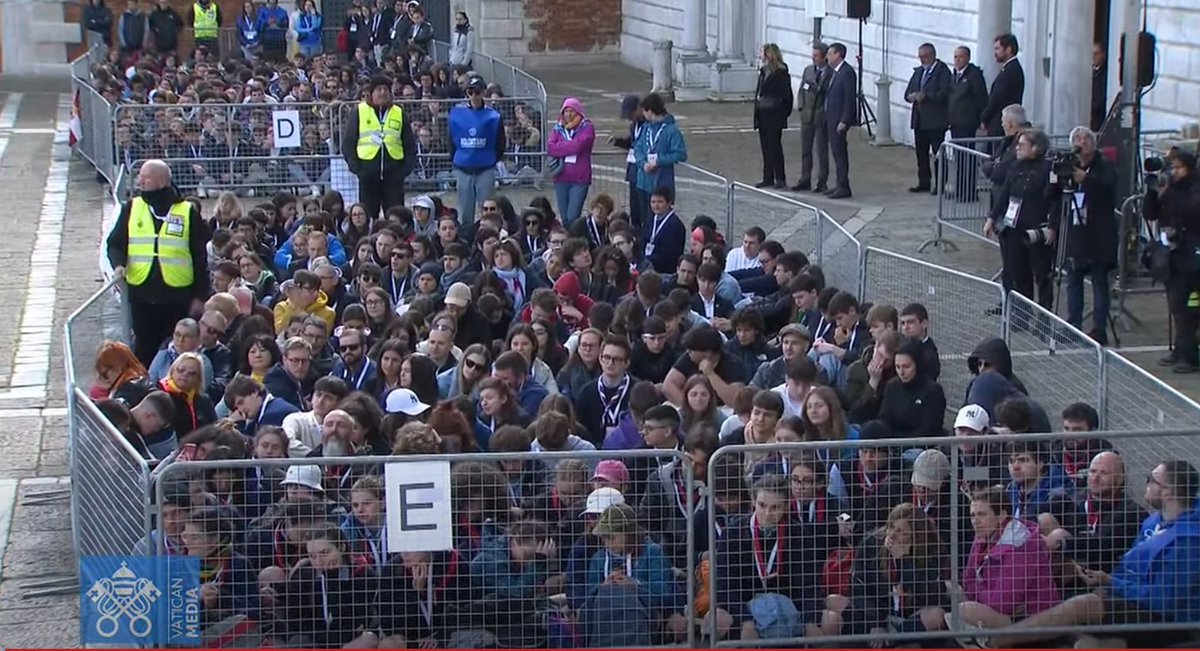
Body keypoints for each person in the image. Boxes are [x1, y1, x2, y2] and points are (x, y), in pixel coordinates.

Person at [984, 460, 1200, 649]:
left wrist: (1111, 582)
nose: (1146, 483)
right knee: (1065, 601)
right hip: (1126, 596)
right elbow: (1129, 564)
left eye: (1151, 479)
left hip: (1166, 621)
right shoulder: (1155, 521)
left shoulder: (1187, 541)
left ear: (1169, 491)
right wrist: (1105, 582)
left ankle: (997, 639)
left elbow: (1164, 601)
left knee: (1084, 604)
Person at [107, 159, 210, 367]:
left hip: (178, 296)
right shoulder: (132, 208)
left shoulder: (187, 211)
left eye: (146, 177)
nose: (140, 181)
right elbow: (115, 243)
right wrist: (118, 265)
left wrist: (201, 295)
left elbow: (199, 256)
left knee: (178, 351)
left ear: (162, 181)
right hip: (142, 296)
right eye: (140, 177)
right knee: (144, 351)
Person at [986, 128, 1056, 311]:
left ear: (1035, 148)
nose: (1017, 149)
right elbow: (1005, 194)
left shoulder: (1047, 169)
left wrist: (1053, 226)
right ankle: (1023, 314)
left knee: (1042, 274)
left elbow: (1054, 200)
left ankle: (1044, 317)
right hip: (1014, 225)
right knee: (1019, 272)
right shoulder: (1016, 166)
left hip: (1037, 226)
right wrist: (992, 218)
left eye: (1023, 145)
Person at [1143, 147, 1200, 373]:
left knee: (1186, 307)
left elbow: (1191, 211)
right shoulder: (1170, 188)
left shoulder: (1193, 187)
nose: (1174, 172)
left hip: (1192, 254)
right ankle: (1181, 348)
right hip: (1171, 255)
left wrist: (1168, 193)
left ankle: (1189, 354)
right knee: (1176, 305)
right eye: (1172, 167)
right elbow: (1150, 214)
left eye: (1179, 167)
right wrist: (1151, 193)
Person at [1061, 126, 1118, 345]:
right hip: (1076, 233)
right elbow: (1058, 196)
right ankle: (1073, 324)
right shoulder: (1070, 165)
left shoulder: (1104, 166)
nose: (1082, 142)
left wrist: (1085, 179)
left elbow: (1108, 191)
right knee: (1073, 281)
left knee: (1099, 283)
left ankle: (1099, 329)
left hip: (1099, 234)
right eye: (1077, 138)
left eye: (1086, 138)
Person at [342, 75, 417, 223]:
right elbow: (348, 143)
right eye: (379, 89)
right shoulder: (359, 111)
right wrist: (357, 169)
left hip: (393, 176)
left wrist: (404, 170)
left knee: (396, 217)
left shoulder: (399, 112)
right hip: (368, 175)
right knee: (368, 218)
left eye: (386, 89)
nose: (382, 93)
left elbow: (409, 144)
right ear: (371, 93)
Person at [449, 76, 504, 224]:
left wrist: (492, 160)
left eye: (477, 92)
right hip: (463, 169)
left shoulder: (494, 116)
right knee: (465, 212)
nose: (473, 96)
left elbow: (500, 143)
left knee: (488, 211)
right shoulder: (456, 114)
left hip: (485, 169)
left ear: (483, 92)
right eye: (470, 92)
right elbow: (451, 141)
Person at [904, 43, 951, 194]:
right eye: (920, 57)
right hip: (920, 119)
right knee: (921, 153)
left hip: (936, 120)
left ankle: (940, 184)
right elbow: (909, 91)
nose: (921, 61)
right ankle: (924, 181)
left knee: (937, 153)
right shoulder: (919, 72)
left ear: (931, 56)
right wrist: (911, 96)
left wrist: (926, 96)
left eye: (923, 57)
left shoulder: (942, 72)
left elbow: (944, 94)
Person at [946, 45, 989, 202]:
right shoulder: (955, 75)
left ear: (968, 58)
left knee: (968, 159)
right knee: (959, 157)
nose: (957, 60)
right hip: (955, 122)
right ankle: (960, 189)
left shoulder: (974, 75)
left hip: (968, 122)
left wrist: (982, 119)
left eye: (961, 57)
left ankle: (969, 191)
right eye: (955, 57)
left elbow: (981, 98)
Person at [633, 93, 687, 212]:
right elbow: (637, 149)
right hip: (643, 182)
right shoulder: (646, 128)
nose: (643, 115)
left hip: (661, 184)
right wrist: (643, 164)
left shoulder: (671, 131)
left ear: (651, 111)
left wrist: (659, 160)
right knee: (645, 221)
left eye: (645, 111)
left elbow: (681, 154)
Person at [547, 98, 596, 227]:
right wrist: (570, 146)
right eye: (566, 111)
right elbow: (551, 147)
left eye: (571, 111)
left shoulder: (587, 127)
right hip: (561, 177)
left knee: (572, 216)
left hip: (580, 178)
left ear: (578, 112)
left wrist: (561, 147)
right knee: (564, 217)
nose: (568, 114)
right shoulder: (558, 128)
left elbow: (580, 146)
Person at [753, 43, 794, 190]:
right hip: (763, 112)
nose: (763, 56)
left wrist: (783, 113)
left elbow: (787, 96)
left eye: (765, 53)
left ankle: (780, 178)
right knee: (765, 147)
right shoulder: (764, 71)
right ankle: (768, 177)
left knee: (775, 147)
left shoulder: (781, 73)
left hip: (774, 114)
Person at [791, 42, 830, 193]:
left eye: (816, 56)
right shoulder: (808, 70)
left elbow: (827, 93)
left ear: (824, 57)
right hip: (807, 115)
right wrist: (801, 107)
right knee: (805, 150)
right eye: (812, 55)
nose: (813, 58)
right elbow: (801, 90)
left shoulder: (830, 73)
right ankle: (805, 178)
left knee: (821, 150)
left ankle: (822, 181)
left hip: (821, 116)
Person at [823, 42, 858, 199]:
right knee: (836, 153)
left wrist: (844, 119)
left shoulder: (847, 72)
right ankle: (839, 183)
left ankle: (843, 186)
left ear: (838, 55)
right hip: (831, 117)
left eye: (830, 53)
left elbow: (849, 99)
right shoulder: (834, 72)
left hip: (839, 119)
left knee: (840, 153)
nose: (827, 57)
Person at [611, 95, 648, 229]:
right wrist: (619, 142)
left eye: (631, 113)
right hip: (633, 172)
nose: (629, 117)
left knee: (645, 209)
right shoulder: (634, 126)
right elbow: (633, 143)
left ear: (638, 109)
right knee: (635, 208)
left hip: (644, 171)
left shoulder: (648, 125)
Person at [979, 33, 1025, 139]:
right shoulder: (1010, 68)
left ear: (1008, 49)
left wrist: (984, 117)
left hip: (1001, 124)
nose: (995, 53)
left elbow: (997, 98)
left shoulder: (1010, 71)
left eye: (997, 49)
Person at [1091, 43, 1108, 132]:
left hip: (1098, 118)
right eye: (1092, 54)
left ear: (1103, 55)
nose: (1093, 57)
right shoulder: (1088, 71)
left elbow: (1101, 97)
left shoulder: (1106, 74)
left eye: (1096, 54)